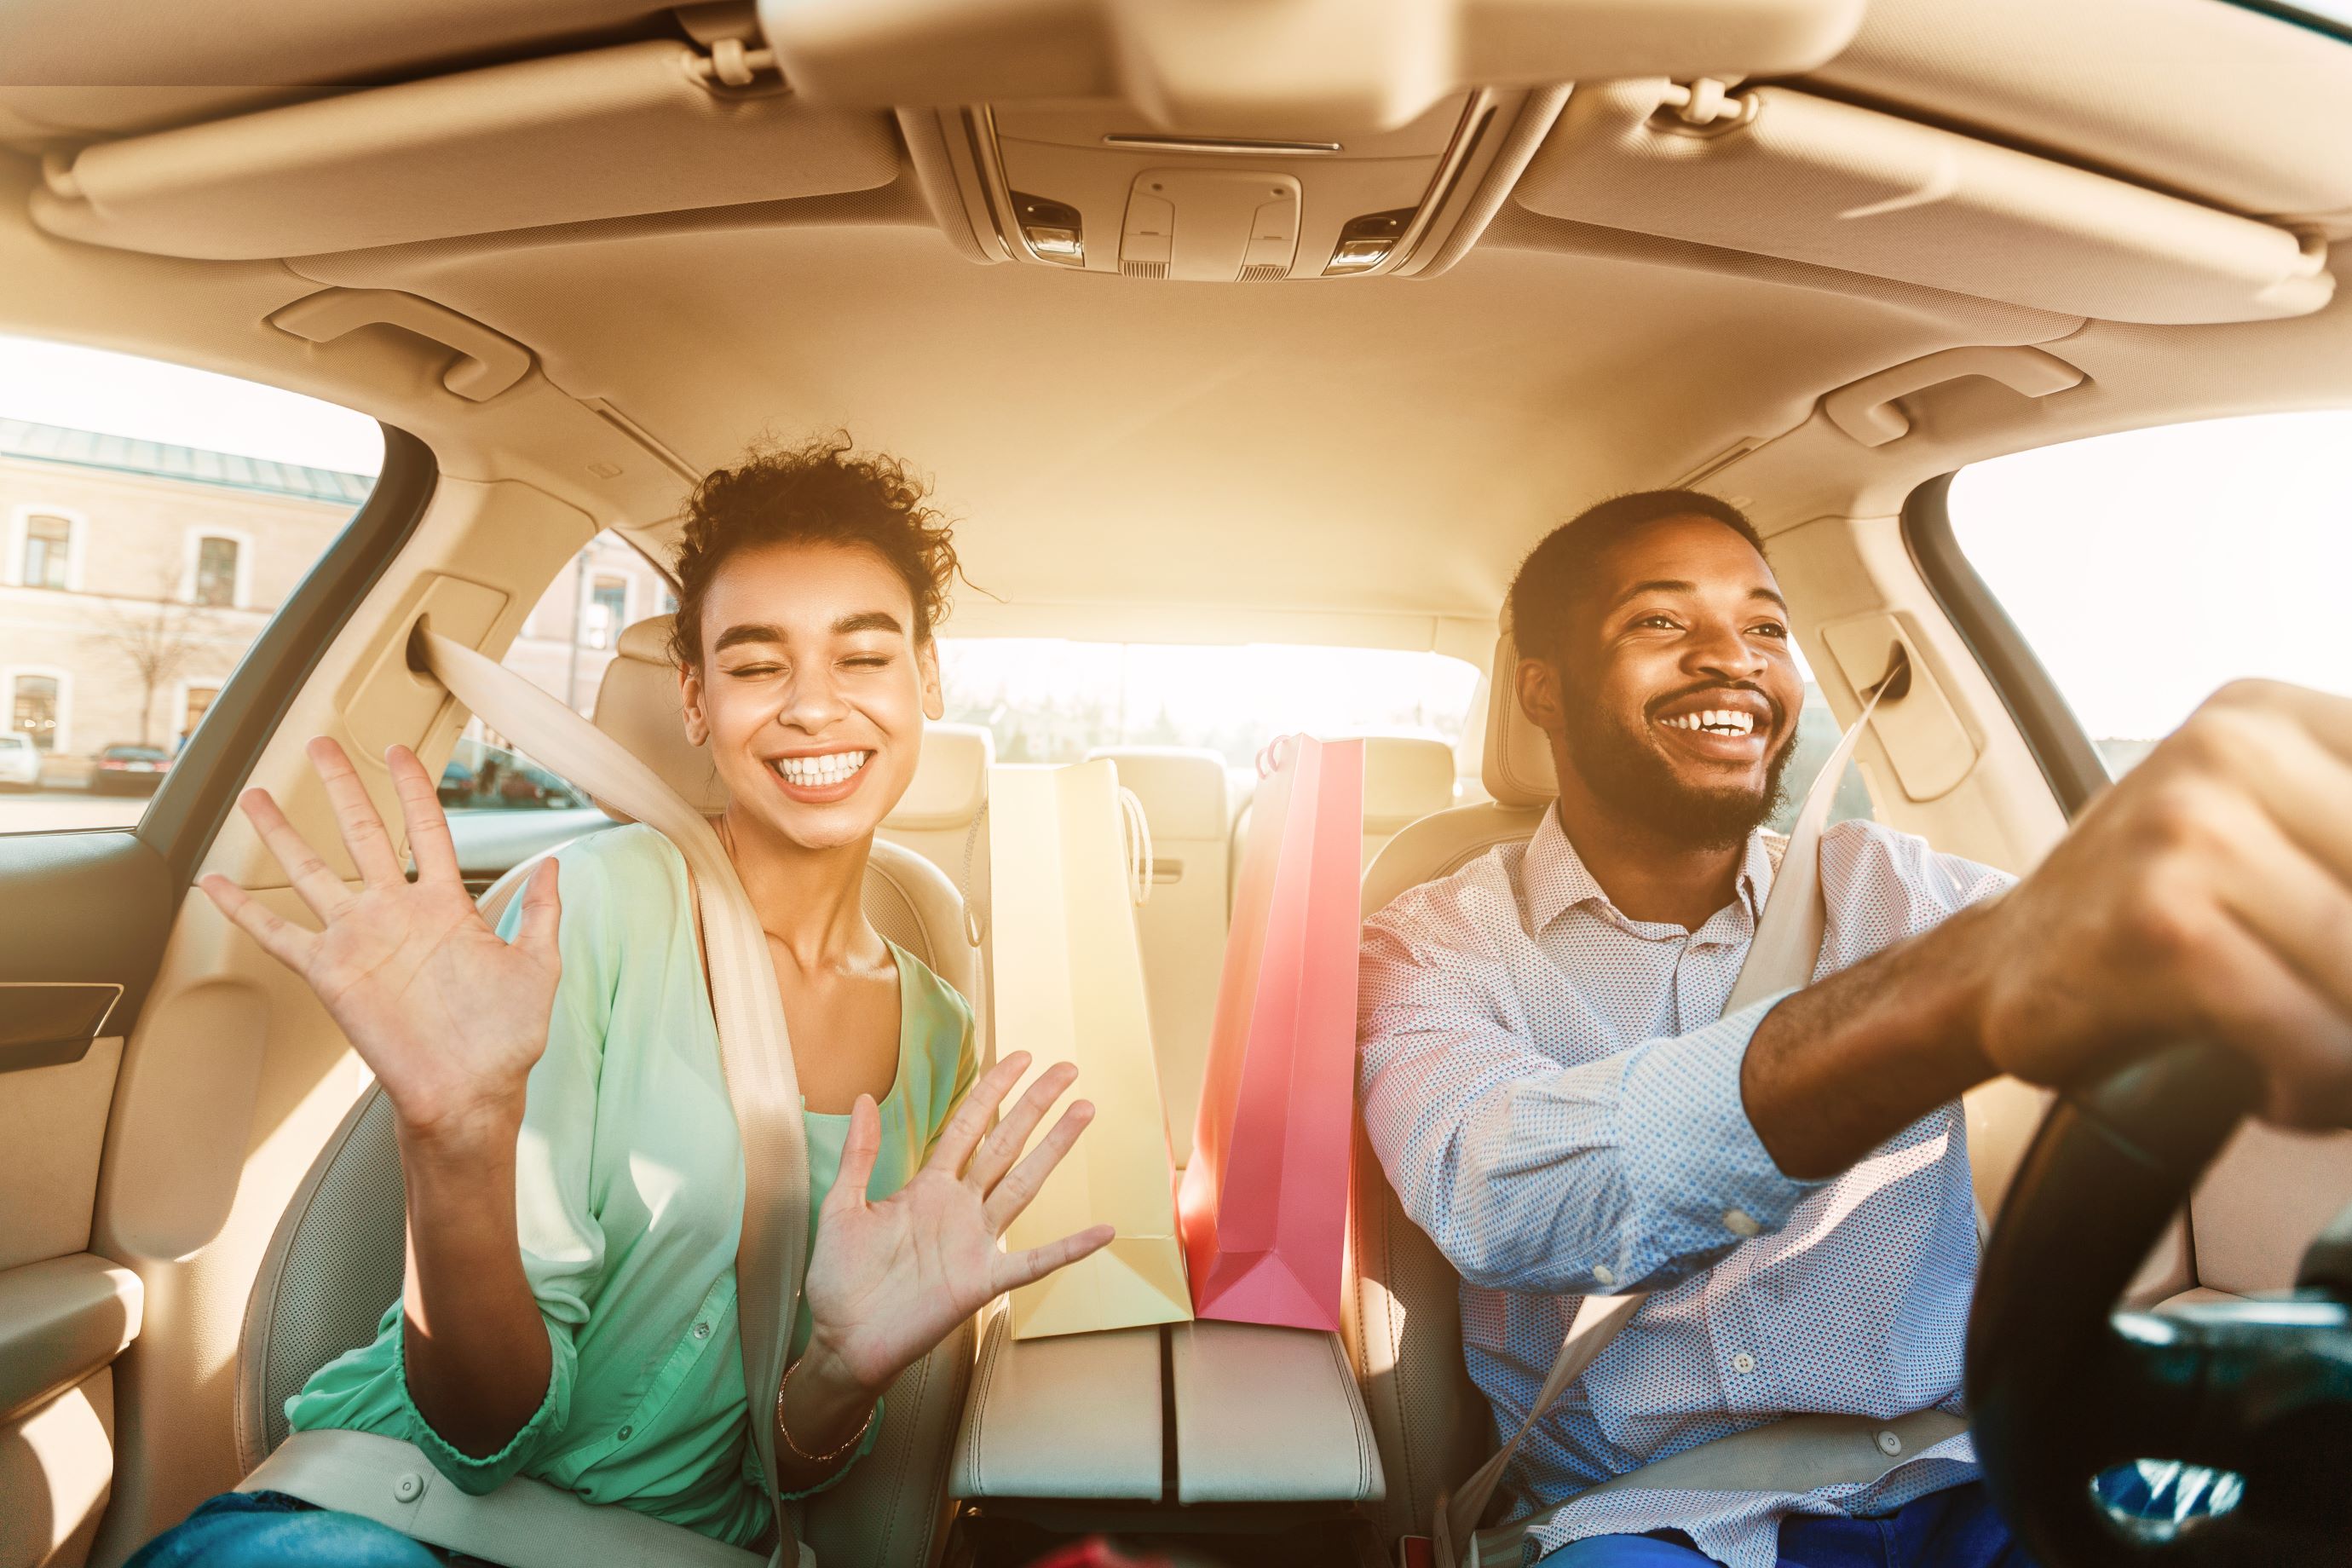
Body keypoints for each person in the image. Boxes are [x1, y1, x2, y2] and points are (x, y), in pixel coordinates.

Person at [133, 437, 1113, 1565]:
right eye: (755, 666)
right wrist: (454, 1139)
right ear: (694, 700)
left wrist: (841, 1374)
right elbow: (480, 1435)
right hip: (388, 1523)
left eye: (863, 657)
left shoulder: (941, 1031)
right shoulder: (580, 914)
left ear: (925, 681)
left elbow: (784, 1466)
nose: (811, 706)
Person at [1357, 489, 2352, 1568]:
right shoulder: (1428, 946)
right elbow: (1503, 1196)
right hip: (1651, 1520)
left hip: (1970, 1473)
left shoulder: (1904, 891)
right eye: (1660, 621)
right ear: (1541, 687)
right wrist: (1939, 1002)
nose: (1730, 658)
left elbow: (2118, 949)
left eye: (1766, 627)